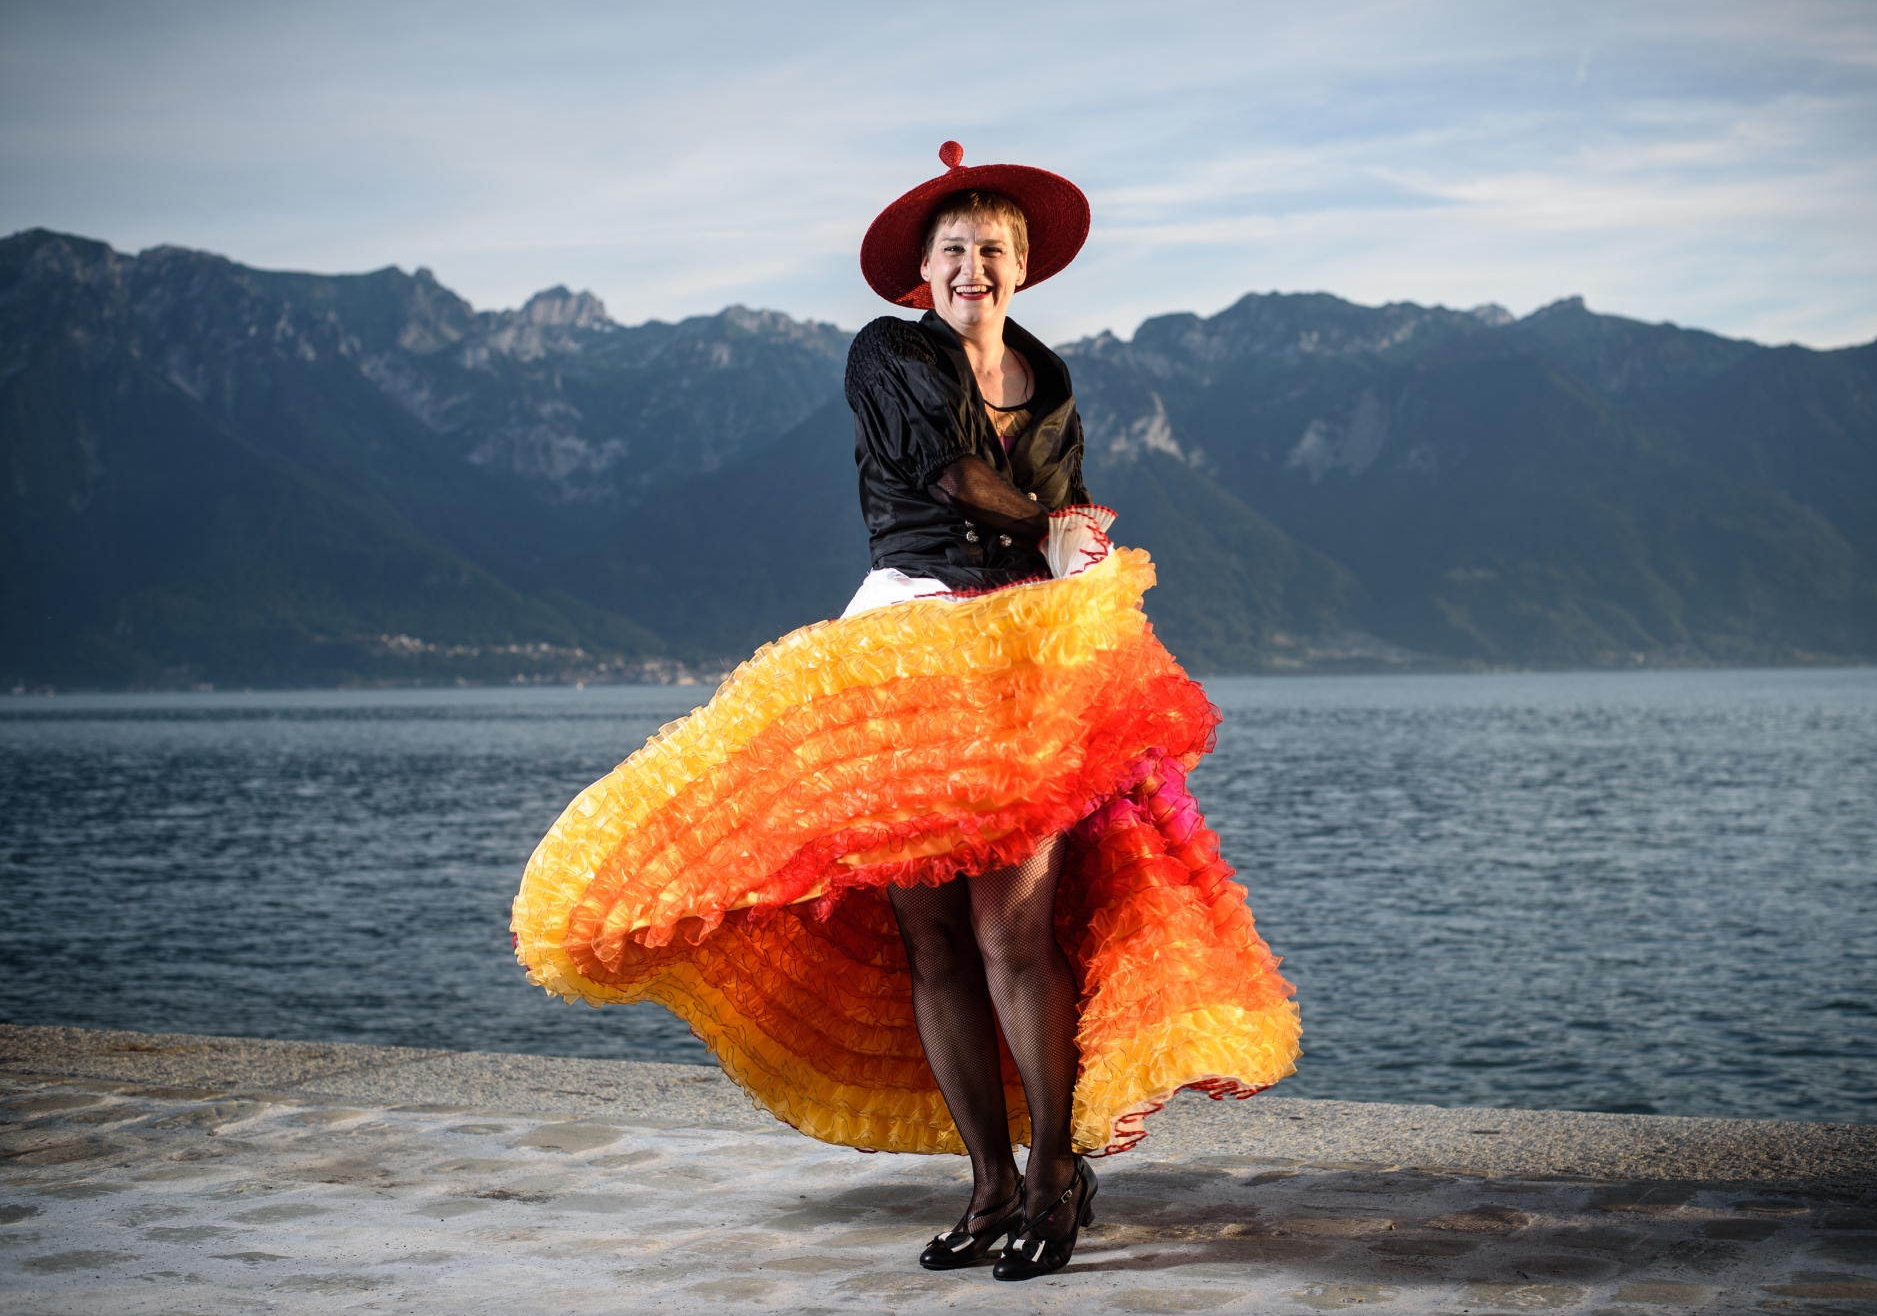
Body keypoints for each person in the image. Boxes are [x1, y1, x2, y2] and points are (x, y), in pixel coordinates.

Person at [512, 143, 1300, 1284]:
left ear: (1021, 268)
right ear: (920, 276)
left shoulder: (1050, 379)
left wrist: (1069, 553)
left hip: (1019, 653)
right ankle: (987, 1184)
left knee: (1011, 931)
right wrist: (1045, 526)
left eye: (992, 250)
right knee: (928, 936)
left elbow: (1060, 514)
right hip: (902, 645)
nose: (973, 267)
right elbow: (939, 469)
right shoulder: (887, 352)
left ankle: (1050, 1183)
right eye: (954, 252)